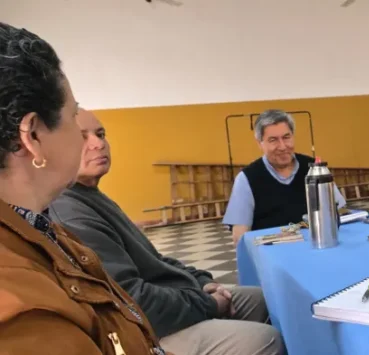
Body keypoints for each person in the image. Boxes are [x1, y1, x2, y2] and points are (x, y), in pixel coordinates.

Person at [48, 109, 285, 355]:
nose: (98, 144)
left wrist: (204, 282)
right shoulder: (70, 214)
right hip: (147, 331)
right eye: (83, 137)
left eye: (100, 134)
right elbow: (132, 300)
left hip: (169, 303)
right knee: (265, 339)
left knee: (260, 298)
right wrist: (209, 304)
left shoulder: (92, 195)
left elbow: (157, 261)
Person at [0, 22, 169, 354]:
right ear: (32, 136)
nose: (87, 140)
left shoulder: (41, 228)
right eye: (72, 116)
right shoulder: (22, 315)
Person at [224, 109, 346, 243]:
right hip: (272, 256)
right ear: (260, 143)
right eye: (273, 140)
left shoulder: (315, 170)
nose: (282, 146)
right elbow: (240, 236)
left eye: (286, 137)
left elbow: (339, 212)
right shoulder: (247, 179)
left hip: (318, 247)